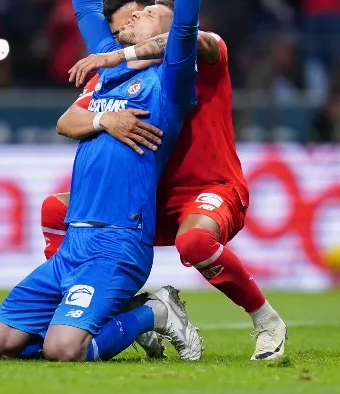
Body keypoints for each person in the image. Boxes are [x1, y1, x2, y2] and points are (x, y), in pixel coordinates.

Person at [0, 0, 213, 362]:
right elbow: (86, 3)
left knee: (64, 350)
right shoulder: (105, 73)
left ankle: (156, 312)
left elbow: (188, 21)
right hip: (74, 242)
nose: (134, 16)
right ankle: (106, 321)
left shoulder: (169, 82)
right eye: (133, 15)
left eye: (148, 14)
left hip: (118, 242)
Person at [48, 20, 287, 361]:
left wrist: (117, 56)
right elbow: (66, 121)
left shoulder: (206, 54)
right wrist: (105, 120)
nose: (135, 21)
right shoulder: (121, 78)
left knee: (193, 242)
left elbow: (184, 38)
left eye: (147, 15)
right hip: (152, 198)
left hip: (211, 188)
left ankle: (267, 322)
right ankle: (133, 309)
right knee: (56, 210)